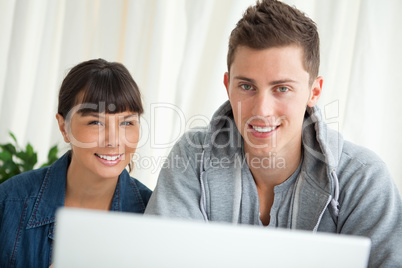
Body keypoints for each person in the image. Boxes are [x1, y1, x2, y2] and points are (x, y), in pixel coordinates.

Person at [145, 0, 402, 266]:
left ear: (314, 91)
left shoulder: (363, 178)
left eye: (282, 88)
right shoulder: (191, 157)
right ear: (227, 85)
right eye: (246, 86)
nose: (261, 110)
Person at [0, 59, 152, 267]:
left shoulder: (151, 215)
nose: (114, 141)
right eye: (96, 122)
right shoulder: (10, 202)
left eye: (127, 122)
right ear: (64, 127)